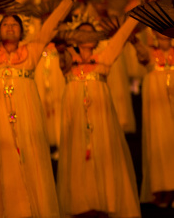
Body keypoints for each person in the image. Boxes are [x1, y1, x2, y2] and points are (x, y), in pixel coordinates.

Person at [0, 0, 92, 218]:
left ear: (22, 30)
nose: (10, 28)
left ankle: (32, 209)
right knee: (1, 162)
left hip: (26, 117)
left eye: (15, 25)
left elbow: (51, 24)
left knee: (29, 160)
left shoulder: (32, 50)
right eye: (5, 24)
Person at [55, 15, 141, 217]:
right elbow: (63, 61)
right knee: (77, 154)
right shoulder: (68, 58)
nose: (87, 35)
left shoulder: (105, 57)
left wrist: (139, 9)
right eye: (82, 32)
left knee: (103, 154)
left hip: (101, 114)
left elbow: (122, 36)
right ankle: (80, 203)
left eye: (91, 32)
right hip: (75, 113)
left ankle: (105, 200)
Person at [132, 29, 174, 208]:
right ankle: (160, 188)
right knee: (158, 144)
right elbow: (141, 53)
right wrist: (134, 40)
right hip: (157, 110)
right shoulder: (150, 53)